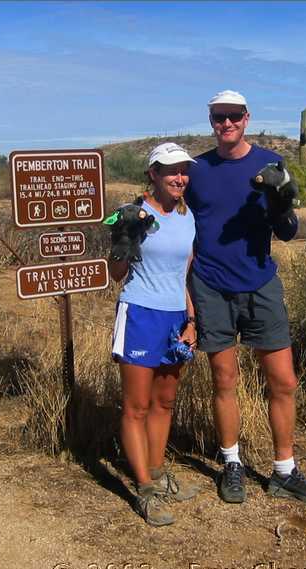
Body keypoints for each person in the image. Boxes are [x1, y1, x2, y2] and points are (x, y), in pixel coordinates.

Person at [184, 90, 306, 505]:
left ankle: (284, 470)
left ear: (246, 118)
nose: (225, 123)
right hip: (211, 285)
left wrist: (281, 206)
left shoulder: (270, 164)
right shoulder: (198, 170)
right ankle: (231, 463)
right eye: (218, 117)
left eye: (233, 116)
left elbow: (286, 231)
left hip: (261, 284)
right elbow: (185, 231)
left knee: (283, 380)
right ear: (210, 120)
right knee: (223, 379)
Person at [108, 142, 200, 526]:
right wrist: (126, 240)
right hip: (141, 313)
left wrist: (192, 321)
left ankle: (158, 473)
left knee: (164, 403)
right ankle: (143, 489)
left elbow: (185, 275)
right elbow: (115, 276)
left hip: (175, 316)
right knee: (136, 407)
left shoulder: (186, 216)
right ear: (153, 174)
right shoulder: (133, 214)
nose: (179, 177)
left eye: (183, 171)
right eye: (170, 171)